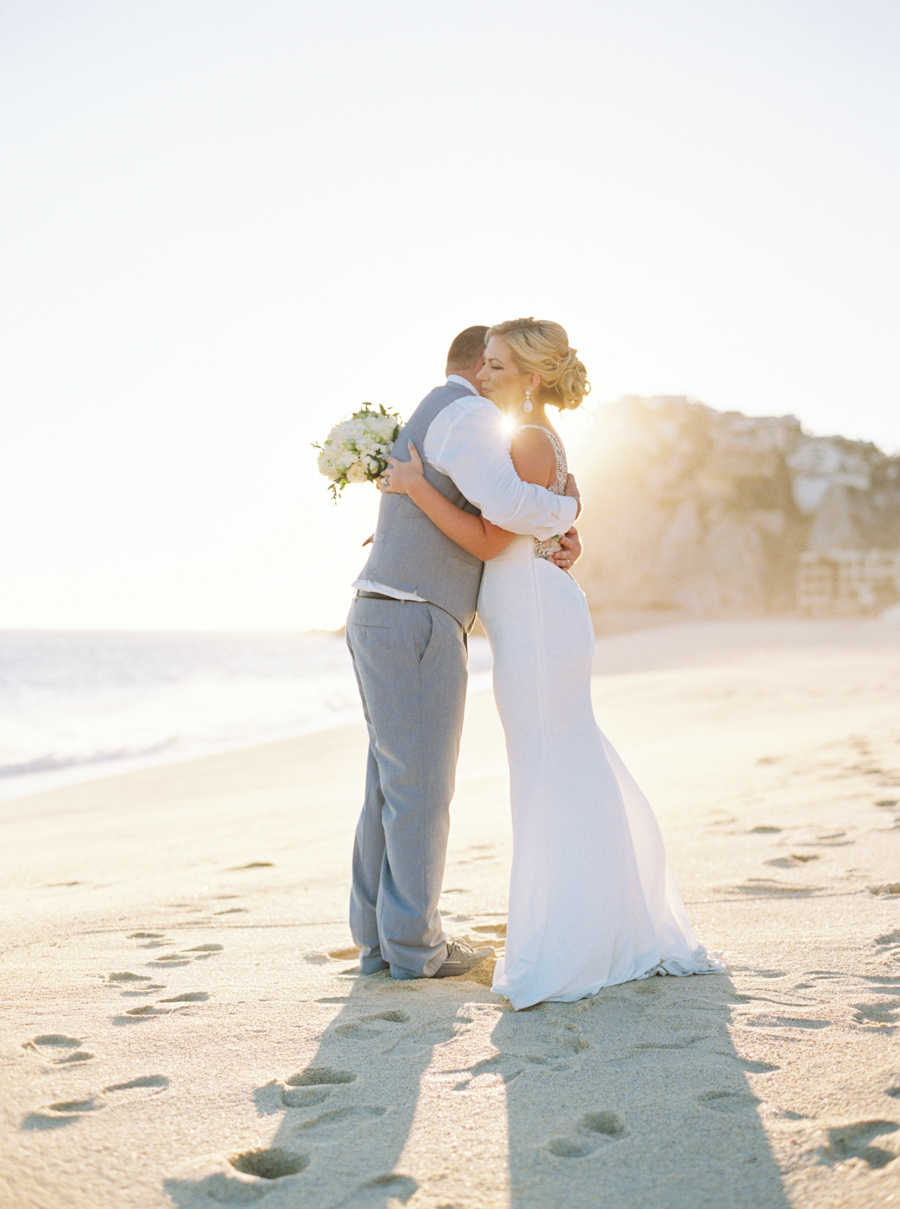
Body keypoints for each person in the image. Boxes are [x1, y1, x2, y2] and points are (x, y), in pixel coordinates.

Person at [383, 317, 724, 1009]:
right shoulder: (535, 441)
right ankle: (595, 923)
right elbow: (534, 526)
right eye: (485, 366)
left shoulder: (531, 441)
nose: (486, 377)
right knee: (559, 762)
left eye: (500, 367)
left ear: (532, 377)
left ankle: (570, 937)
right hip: (538, 612)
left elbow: (486, 537)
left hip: (537, 620)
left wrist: (414, 489)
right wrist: (566, 525)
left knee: (547, 768)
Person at [346, 325, 583, 982]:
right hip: (415, 616)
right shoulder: (470, 415)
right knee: (420, 789)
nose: (494, 376)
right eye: (494, 363)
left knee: (388, 788)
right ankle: (416, 948)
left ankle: (378, 941)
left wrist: (568, 521)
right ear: (479, 365)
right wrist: (569, 506)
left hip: (379, 610)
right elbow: (503, 510)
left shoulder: (432, 412)